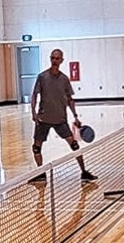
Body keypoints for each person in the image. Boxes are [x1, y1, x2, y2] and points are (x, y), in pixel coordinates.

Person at [28, 49, 96, 183]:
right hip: (43, 119)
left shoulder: (64, 79)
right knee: (36, 147)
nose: (54, 61)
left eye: (57, 58)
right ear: (50, 59)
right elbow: (35, 94)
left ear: (61, 60)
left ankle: (84, 172)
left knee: (74, 145)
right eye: (52, 58)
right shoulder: (42, 77)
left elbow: (70, 99)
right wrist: (33, 112)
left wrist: (75, 116)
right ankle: (41, 173)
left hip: (60, 119)